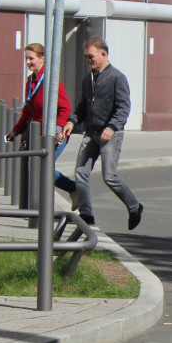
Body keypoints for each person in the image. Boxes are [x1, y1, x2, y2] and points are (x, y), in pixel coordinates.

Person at [63, 37, 144, 230]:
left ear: (103, 54)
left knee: (109, 176)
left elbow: (124, 107)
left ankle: (134, 206)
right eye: (85, 57)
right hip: (91, 133)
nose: (88, 60)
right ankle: (87, 214)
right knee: (81, 172)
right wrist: (72, 121)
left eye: (90, 56)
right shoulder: (88, 79)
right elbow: (83, 106)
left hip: (110, 135)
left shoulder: (116, 77)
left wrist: (112, 127)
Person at [6, 43, 79, 208]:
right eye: (26, 58)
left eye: (31, 58)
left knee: (42, 169)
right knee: (33, 168)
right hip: (36, 134)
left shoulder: (51, 81)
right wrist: (16, 131)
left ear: (42, 58)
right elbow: (27, 112)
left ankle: (73, 189)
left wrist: (58, 130)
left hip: (55, 134)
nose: (28, 62)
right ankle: (32, 208)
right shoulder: (31, 81)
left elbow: (65, 108)